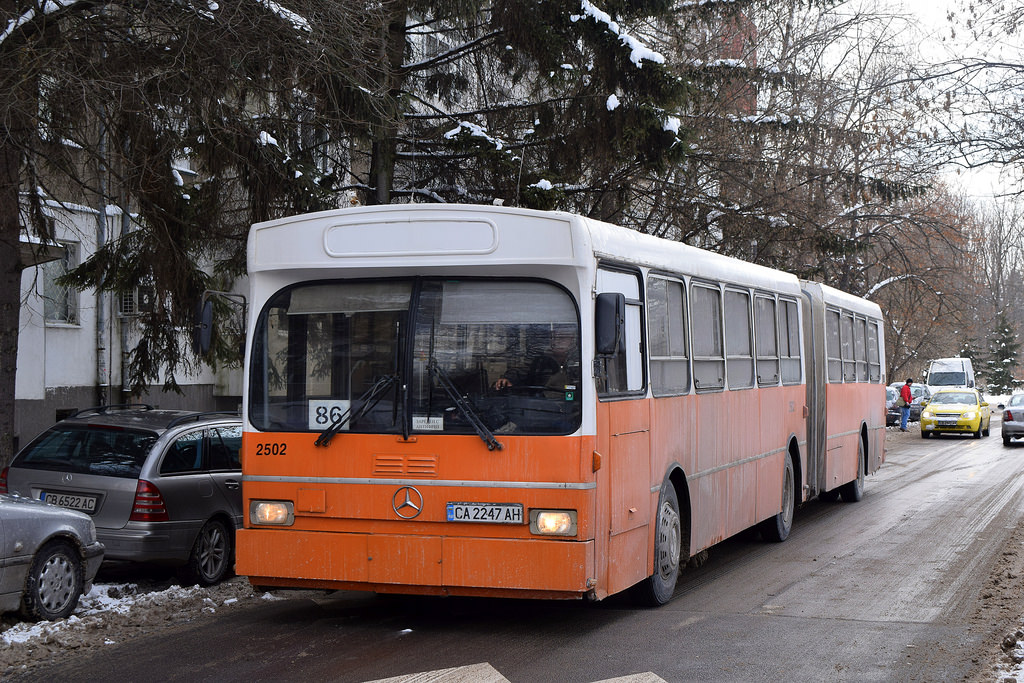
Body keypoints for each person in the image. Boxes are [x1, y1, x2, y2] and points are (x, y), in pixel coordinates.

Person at [494, 328, 579, 399]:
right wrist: (508, 379)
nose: (557, 341)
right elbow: (522, 369)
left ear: (572, 339)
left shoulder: (580, 359)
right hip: (542, 404)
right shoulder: (539, 358)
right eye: (554, 337)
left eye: (563, 338)